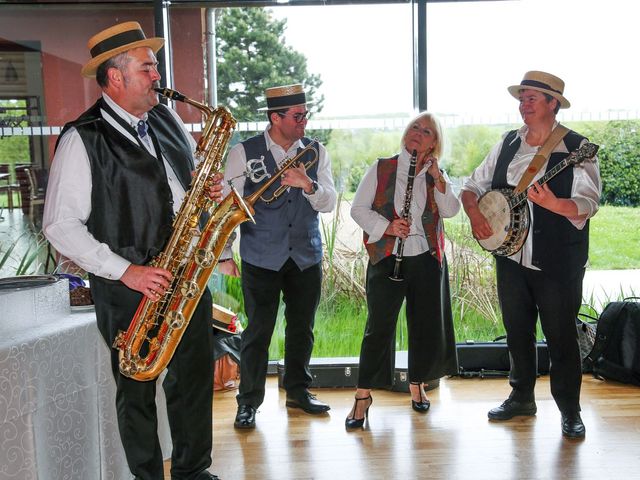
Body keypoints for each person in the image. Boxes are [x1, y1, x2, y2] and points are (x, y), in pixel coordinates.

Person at [43, 22, 222, 479]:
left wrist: (208, 191)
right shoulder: (82, 138)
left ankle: (192, 472)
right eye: (148, 67)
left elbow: (179, 188)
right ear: (116, 77)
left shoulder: (165, 118)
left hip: (185, 275)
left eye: (155, 66)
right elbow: (60, 226)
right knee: (137, 389)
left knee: (194, 381)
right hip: (129, 289)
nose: (157, 76)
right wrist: (127, 271)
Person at [460, 71, 601, 439]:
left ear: (553, 103)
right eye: (521, 98)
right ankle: (521, 396)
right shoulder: (508, 142)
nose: (523, 105)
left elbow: (588, 203)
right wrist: (476, 215)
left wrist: (553, 203)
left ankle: (570, 409)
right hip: (510, 259)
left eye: (531, 98)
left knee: (561, 338)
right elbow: (473, 185)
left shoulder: (576, 147)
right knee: (516, 332)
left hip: (556, 262)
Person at [218, 84, 337, 429]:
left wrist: (308, 184)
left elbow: (329, 201)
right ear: (275, 118)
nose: (304, 121)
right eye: (297, 116)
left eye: (305, 115)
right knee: (258, 332)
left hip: (305, 256)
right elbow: (228, 206)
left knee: (303, 329)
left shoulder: (317, 151)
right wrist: (225, 253)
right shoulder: (243, 153)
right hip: (261, 257)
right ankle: (248, 402)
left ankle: (299, 391)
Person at [346, 112, 460, 429]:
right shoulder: (383, 167)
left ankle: (417, 383)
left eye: (426, 131)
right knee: (378, 328)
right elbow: (358, 208)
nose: (417, 133)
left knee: (423, 327)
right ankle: (362, 395)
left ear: (434, 142)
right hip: (387, 258)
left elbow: (450, 210)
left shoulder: (437, 175)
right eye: (414, 127)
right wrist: (388, 226)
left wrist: (438, 178)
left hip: (426, 258)